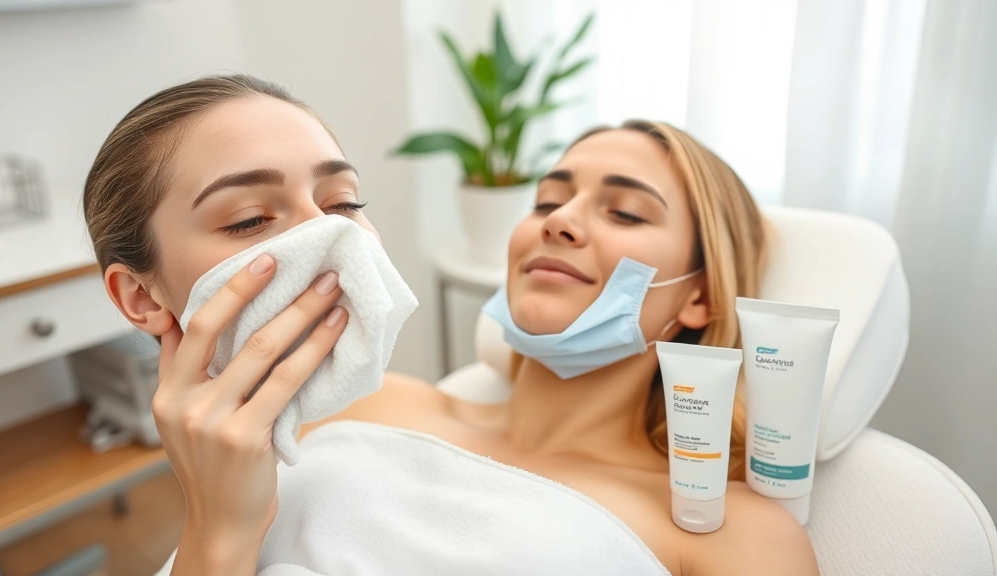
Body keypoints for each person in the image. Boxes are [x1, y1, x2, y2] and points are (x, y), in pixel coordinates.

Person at [85, 74, 819, 575]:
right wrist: (216, 532)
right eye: (546, 201)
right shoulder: (350, 405)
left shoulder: (728, 532)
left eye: (624, 212)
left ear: (699, 297)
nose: (560, 220)